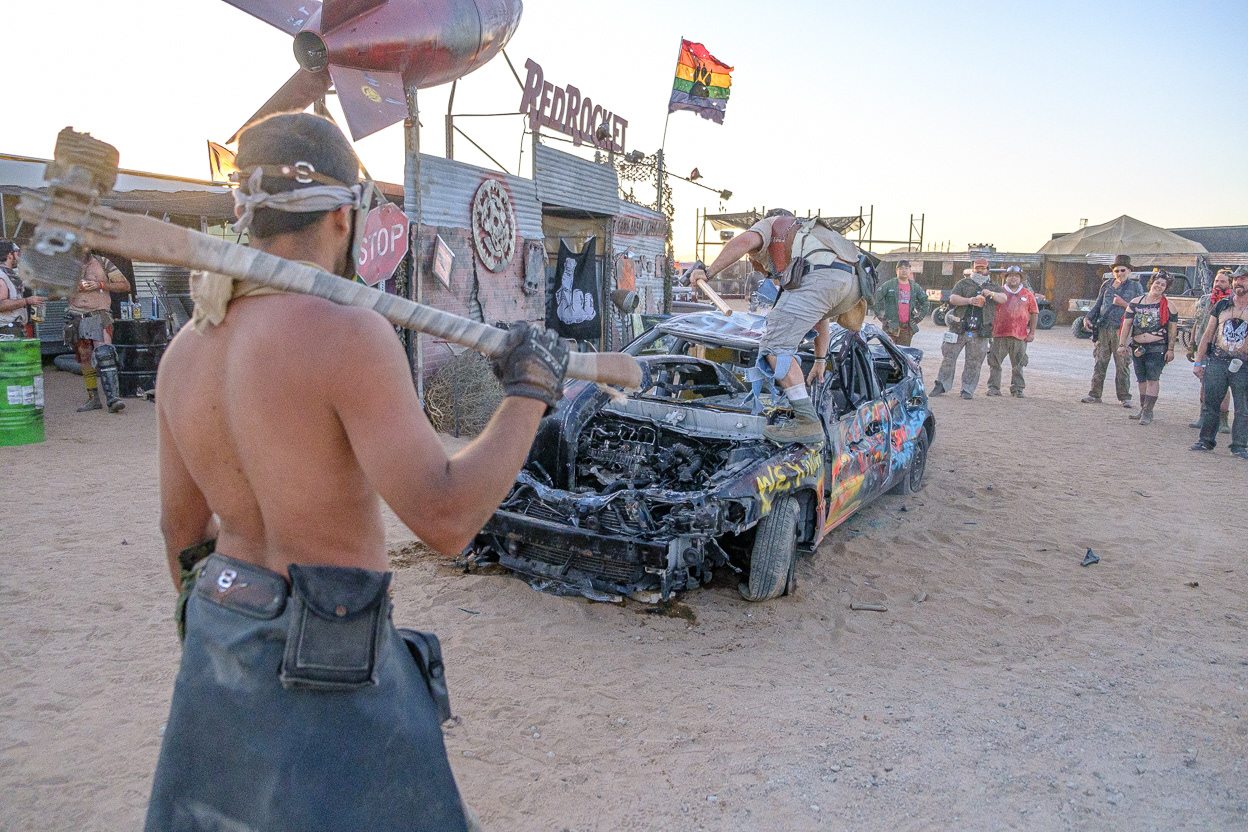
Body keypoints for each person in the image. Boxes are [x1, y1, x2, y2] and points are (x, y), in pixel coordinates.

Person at [144, 113, 568, 832]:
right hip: (333, 654)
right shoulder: (347, 332)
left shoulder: (187, 349)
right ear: (345, 216)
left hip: (222, 630)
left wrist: (225, 637)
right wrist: (529, 393)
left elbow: (181, 532)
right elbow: (446, 520)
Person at [686, 208, 867, 443]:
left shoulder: (771, 224)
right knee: (782, 337)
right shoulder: (808, 243)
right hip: (854, 285)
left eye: (753, 257)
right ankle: (806, 418)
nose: (754, 262)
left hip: (825, 278)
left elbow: (743, 241)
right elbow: (819, 314)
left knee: (773, 346)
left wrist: (707, 272)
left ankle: (807, 422)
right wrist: (820, 360)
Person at [1191, 267, 1248, 458]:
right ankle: (1205, 441)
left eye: (1243, 279)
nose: (1238, 282)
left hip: (1244, 365)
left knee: (1243, 408)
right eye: (1236, 279)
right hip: (1218, 360)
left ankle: (1239, 446)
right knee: (1211, 405)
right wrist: (1198, 361)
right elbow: (1208, 333)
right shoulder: (1222, 305)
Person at [64, 253, 131, 412]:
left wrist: (100, 285)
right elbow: (51, 295)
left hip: (99, 314)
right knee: (85, 357)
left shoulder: (102, 262)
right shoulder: (66, 264)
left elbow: (125, 285)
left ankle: (113, 399)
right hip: (77, 316)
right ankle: (93, 398)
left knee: (105, 353)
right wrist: (70, 287)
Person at [932, 258, 1004, 399]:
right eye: (977, 268)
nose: (980, 271)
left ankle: (967, 390)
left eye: (983, 268)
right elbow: (953, 298)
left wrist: (991, 294)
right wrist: (969, 300)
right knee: (948, 358)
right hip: (959, 328)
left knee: (974, 363)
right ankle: (941, 385)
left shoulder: (993, 286)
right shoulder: (963, 283)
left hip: (980, 332)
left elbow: (1003, 299)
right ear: (973, 269)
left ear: (988, 270)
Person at [1081, 255, 1144, 407]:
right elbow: (1098, 304)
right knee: (1100, 362)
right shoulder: (1107, 285)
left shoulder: (1135, 287)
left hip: (1122, 330)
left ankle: (1125, 397)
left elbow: (1140, 309)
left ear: (1129, 270)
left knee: (1122, 364)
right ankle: (1095, 394)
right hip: (1103, 328)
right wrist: (1087, 318)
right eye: (1116, 270)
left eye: (1122, 270)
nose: (1119, 273)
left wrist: (1124, 304)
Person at [1116, 270, 1177, 425]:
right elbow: (1126, 325)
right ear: (1151, 283)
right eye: (1157, 283)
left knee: (1152, 379)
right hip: (1138, 346)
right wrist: (1122, 344)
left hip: (1157, 347)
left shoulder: (1169, 306)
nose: (1159, 286)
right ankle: (1143, 408)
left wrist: (1170, 349)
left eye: (1163, 285)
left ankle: (1148, 412)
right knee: (1141, 379)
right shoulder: (1136, 302)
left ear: (1166, 288)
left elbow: (1172, 329)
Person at [1187, 268, 1233, 432]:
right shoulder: (1205, 300)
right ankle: (1203, 417)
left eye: (1222, 281)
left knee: (1224, 386)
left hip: (1223, 349)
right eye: (1216, 281)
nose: (1218, 284)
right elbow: (1197, 322)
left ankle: (1223, 420)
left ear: (1230, 284)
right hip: (1204, 346)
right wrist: (1192, 344)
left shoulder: (1232, 302)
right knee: (1204, 382)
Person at [985, 266, 1039, 397]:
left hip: (1020, 336)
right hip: (998, 334)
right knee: (995, 363)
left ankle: (1017, 389)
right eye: (1010, 275)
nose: (1013, 278)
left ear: (1021, 279)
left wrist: (1032, 333)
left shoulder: (1027, 294)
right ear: (1006, 278)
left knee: (1019, 364)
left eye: (1016, 276)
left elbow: (1034, 313)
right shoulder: (999, 293)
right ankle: (994, 388)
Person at [874, 259, 929, 346]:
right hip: (890, 328)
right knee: (888, 352)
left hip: (906, 329)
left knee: (903, 352)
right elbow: (876, 299)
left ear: (910, 270)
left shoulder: (915, 287)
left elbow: (925, 301)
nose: (904, 271)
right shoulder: (889, 285)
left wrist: (919, 317)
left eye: (906, 268)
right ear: (896, 271)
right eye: (901, 268)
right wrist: (881, 317)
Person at [0, 241, 45, 338]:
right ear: (10, 255)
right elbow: (1, 304)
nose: (19, 257)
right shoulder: (1, 275)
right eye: (17, 253)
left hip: (14, 328)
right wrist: (27, 301)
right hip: (5, 329)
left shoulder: (9, 274)